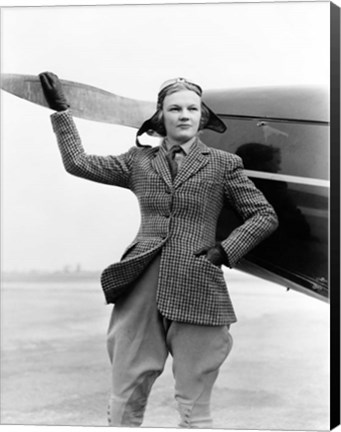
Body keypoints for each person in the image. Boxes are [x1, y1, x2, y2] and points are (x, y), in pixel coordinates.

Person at [39, 72, 279, 428]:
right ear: (160, 116)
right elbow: (79, 163)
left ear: (202, 117)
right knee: (125, 394)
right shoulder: (137, 162)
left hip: (197, 282)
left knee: (194, 401)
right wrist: (61, 112)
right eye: (175, 108)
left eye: (192, 109)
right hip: (140, 283)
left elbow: (264, 215)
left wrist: (224, 252)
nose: (184, 115)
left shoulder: (223, 164)